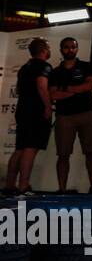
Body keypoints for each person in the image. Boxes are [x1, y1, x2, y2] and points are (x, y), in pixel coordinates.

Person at [49, 37, 92, 195]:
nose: (70, 49)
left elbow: (88, 86)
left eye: (73, 47)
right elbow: (53, 94)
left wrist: (65, 88)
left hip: (86, 114)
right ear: (61, 49)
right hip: (64, 117)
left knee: (91, 152)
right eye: (66, 47)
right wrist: (76, 89)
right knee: (63, 154)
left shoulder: (87, 66)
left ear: (77, 49)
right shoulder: (55, 72)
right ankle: (62, 189)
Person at [8, 38, 54, 196]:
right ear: (43, 51)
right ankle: (23, 187)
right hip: (36, 110)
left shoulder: (23, 68)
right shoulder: (44, 66)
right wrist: (48, 105)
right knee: (30, 148)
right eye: (48, 48)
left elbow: (20, 90)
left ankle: (9, 186)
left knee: (20, 148)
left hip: (22, 109)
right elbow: (42, 85)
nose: (49, 51)